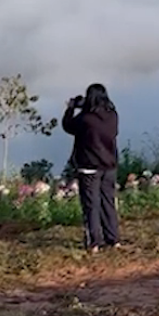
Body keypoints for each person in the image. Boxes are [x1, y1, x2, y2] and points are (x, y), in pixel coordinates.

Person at [62, 83, 120, 252]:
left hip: (89, 167)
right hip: (109, 165)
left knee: (91, 205)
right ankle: (114, 239)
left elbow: (68, 126)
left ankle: (95, 242)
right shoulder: (113, 116)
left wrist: (71, 108)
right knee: (108, 202)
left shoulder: (85, 119)